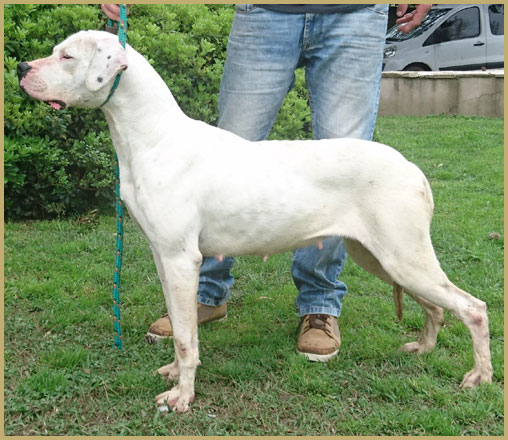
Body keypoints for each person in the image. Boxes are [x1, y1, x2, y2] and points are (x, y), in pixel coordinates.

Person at [102, 3, 430, 362]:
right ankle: (205, 294)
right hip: (264, 11)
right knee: (221, 158)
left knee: (346, 175)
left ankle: (319, 305)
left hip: (356, 12)